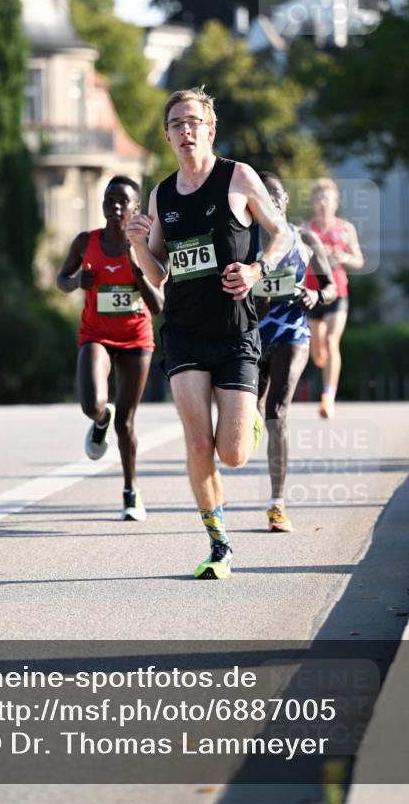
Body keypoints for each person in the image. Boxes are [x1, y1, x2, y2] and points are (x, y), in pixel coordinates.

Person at [126, 88, 292, 579]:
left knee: (234, 454)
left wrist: (258, 270)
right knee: (198, 443)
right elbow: (157, 274)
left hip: (236, 331)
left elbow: (282, 233)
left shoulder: (238, 177)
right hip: (183, 332)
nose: (185, 131)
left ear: (210, 128)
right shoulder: (162, 194)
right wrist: (138, 244)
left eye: (193, 121)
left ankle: (253, 417)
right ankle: (219, 543)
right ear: (168, 135)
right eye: (175, 124)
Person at [57, 176, 164, 521]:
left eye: (123, 201)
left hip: (136, 339)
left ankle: (131, 493)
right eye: (109, 199)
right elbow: (61, 278)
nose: (115, 205)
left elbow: (159, 304)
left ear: (135, 209)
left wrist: (136, 267)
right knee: (92, 404)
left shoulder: (146, 247)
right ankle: (101, 418)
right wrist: (75, 282)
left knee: (128, 424)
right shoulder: (85, 242)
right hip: (96, 335)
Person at [254, 172, 337, 533]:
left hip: (292, 333)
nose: (271, 201)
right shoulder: (243, 242)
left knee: (276, 411)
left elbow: (332, 286)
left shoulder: (304, 239)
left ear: (285, 199)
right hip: (252, 338)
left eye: (276, 196)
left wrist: (317, 296)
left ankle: (277, 503)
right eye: (263, 196)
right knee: (247, 414)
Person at [303, 178, 364, 419]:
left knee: (331, 341)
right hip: (313, 294)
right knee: (318, 354)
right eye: (318, 199)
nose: (322, 203)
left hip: (337, 292)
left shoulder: (345, 229)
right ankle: (324, 367)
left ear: (335, 202)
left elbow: (359, 260)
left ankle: (328, 396)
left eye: (326, 199)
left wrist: (343, 257)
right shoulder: (306, 229)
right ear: (314, 203)